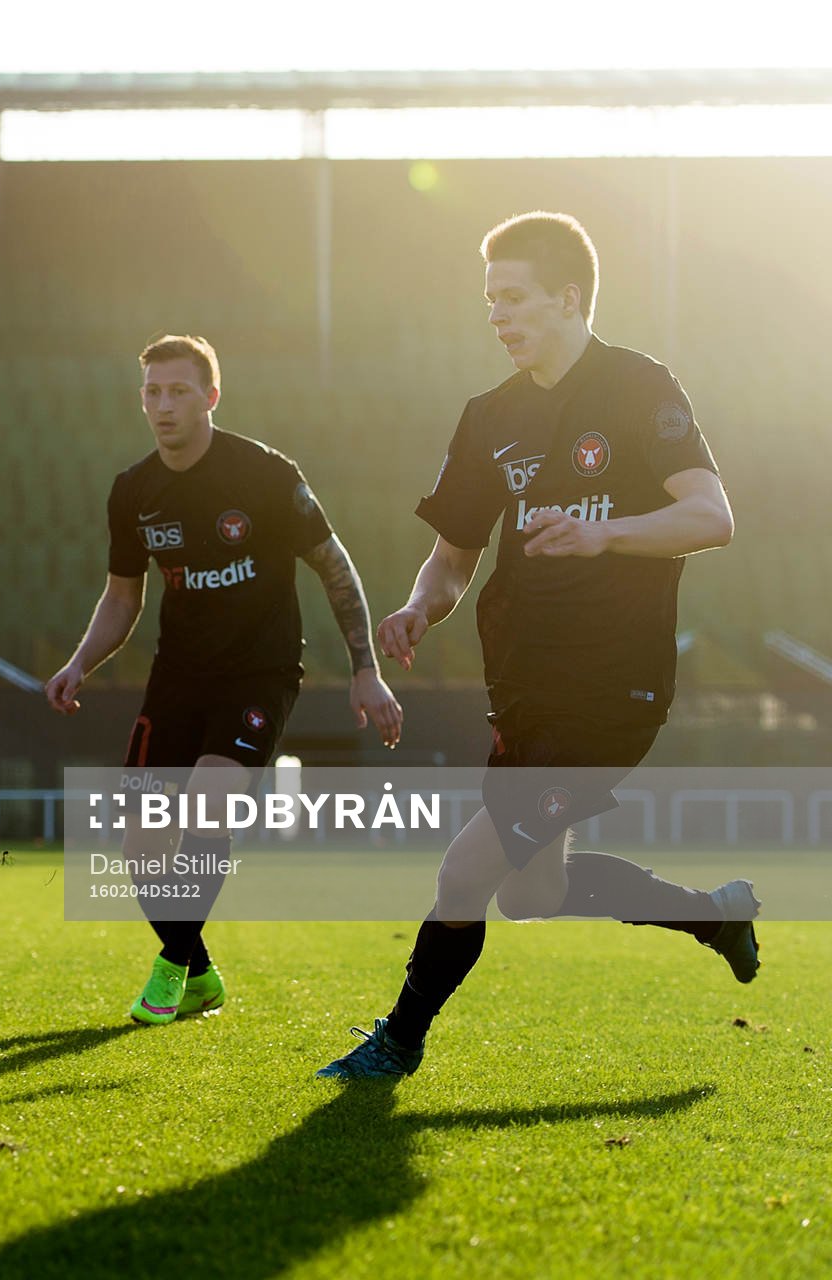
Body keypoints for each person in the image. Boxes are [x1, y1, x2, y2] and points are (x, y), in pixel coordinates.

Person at [317, 212, 753, 1081]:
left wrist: (606, 533)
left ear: (568, 297)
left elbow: (712, 516)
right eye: (490, 301)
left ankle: (396, 1044)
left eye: (513, 298)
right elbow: (452, 560)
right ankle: (715, 916)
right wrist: (418, 608)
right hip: (524, 691)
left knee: (464, 874)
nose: (497, 316)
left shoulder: (638, 386)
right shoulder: (489, 418)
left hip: (612, 692)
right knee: (531, 893)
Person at [45, 335, 402, 1026]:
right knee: (140, 846)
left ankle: (170, 969)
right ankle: (201, 973)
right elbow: (123, 597)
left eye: (179, 391)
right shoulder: (133, 491)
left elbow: (334, 567)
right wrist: (79, 662)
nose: (164, 406)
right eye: (153, 392)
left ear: (210, 396)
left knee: (209, 805)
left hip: (259, 675)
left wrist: (366, 669)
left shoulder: (265, 474)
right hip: (177, 678)